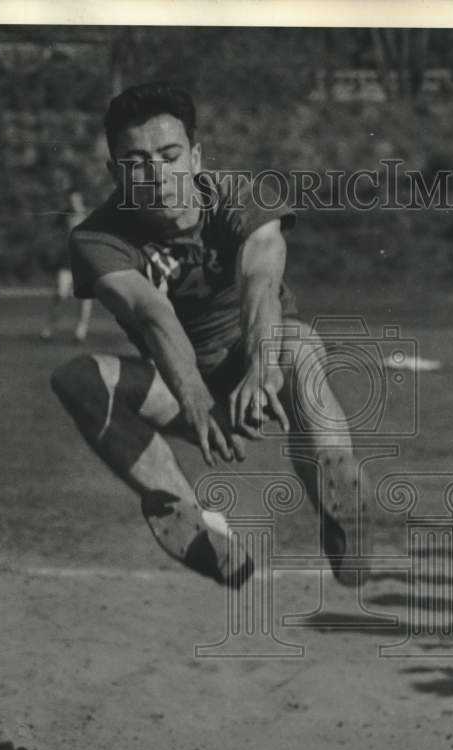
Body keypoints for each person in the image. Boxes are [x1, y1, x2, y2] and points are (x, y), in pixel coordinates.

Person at [51, 82, 367, 588]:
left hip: (261, 364)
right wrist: (195, 398)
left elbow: (260, 281)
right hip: (177, 384)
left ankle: (339, 501)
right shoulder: (96, 238)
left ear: (195, 158)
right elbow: (153, 313)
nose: (155, 174)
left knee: (301, 344)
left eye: (169, 155)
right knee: (77, 378)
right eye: (135, 161)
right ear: (115, 173)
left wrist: (261, 371)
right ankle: (190, 519)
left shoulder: (244, 196)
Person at [40, 188, 93, 343]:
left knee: (85, 298)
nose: (73, 203)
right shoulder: (64, 216)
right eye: (70, 201)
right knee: (60, 295)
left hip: (85, 262)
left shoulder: (91, 214)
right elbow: (53, 233)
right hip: (66, 262)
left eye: (76, 200)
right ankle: (49, 328)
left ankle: (80, 332)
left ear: (81, 199)